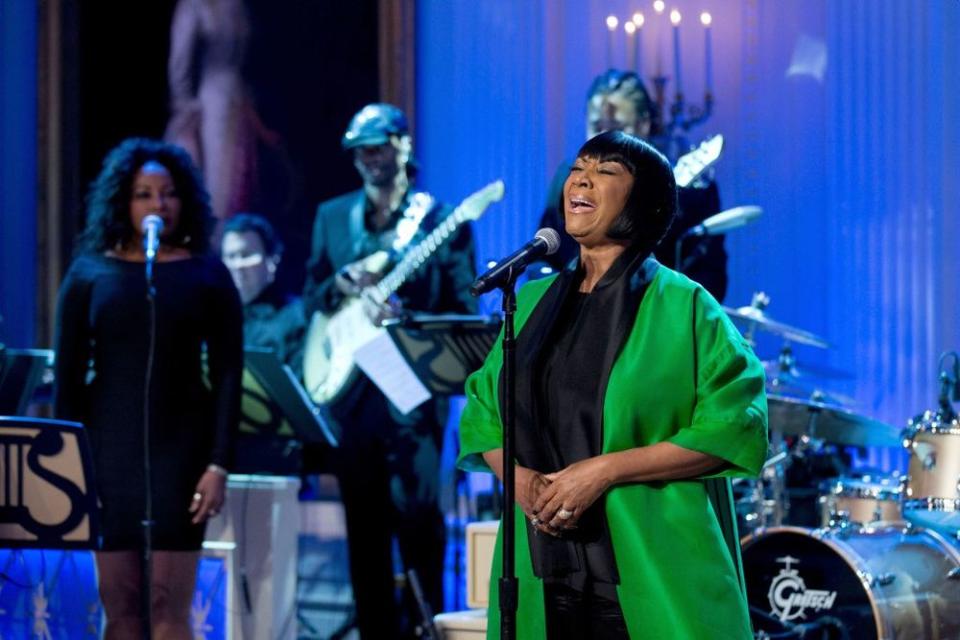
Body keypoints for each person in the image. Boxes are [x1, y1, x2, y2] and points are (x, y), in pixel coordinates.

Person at [459, 131, 768, 639]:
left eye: (605, 171)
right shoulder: (531, 302)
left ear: (642, 203)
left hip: (653, 565)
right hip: (543, 567)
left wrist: (602, 473)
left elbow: (735, 425)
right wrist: (523, 484)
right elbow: (483, 413)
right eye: (579, 167)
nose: (580, 178)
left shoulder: (686, 307)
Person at [54, 138, 243, 639]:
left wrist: (218, 464)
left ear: (184, 202)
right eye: (143, 194)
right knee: (121, 604)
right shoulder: (89, 274)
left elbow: (228, 376)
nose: (157, 205)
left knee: (166, 603)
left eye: (168, 193)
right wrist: (67, 469)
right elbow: (68, 380)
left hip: (181, 456)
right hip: (106, 456)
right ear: (123, 201)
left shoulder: (208, 275)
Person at [302, 103, 478, 638]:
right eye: (361, 150)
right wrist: (339, 284)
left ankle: (425, 630)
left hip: (412, 393)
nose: (368, 159)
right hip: (351, 397)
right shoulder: (333, 217)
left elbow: (463, 312)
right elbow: (310, 297)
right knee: (364, 531)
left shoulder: (439, 219)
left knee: (421, 524)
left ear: (403, 145)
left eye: (379, 146)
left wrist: (407, 317)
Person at [538, 69, 729, 302]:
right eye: (597, 126)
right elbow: (545, 254)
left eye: (617, 127)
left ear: (644, 124)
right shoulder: (570, 180)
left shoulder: (692, 193)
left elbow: (710, 278)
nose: (605, 139)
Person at [221, 212, 306, 371]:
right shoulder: (215, 318)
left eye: (246, 255)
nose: (237, 266)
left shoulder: (297, 316)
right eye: (230, 257)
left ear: (272, 260)